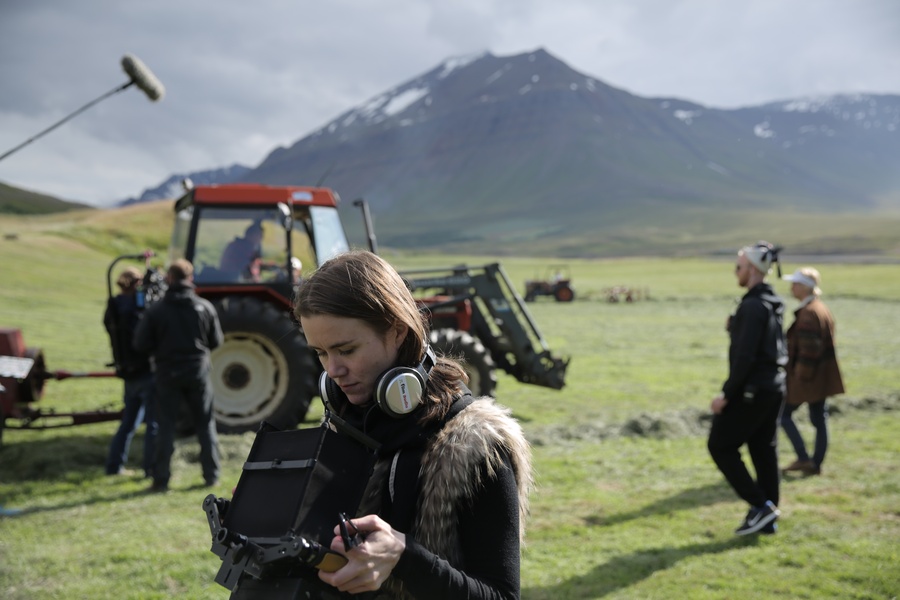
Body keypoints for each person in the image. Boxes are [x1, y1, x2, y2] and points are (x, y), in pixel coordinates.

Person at [293, 250, 533, 598]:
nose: (332, 371)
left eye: (346, 350)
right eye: (320, 353)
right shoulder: (344, 425)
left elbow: (500, 595)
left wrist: (404, 556)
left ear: (398, 332)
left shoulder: (475, 445)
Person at [707, 241, 787, 536]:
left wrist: (726, 395)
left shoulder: (753, 306)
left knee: (720, 445)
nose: (735, 271)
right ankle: (768, 519)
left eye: (739, 266)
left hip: (754, 388)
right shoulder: (771, 301)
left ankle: (760, 506)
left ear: (752, 269)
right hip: (774, 387)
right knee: (763, 449)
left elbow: (745, 357)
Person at [134, 259, 223, 492]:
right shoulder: (204, 307)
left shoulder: (156, 311)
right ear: (190, 278)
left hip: (168, 374)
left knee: (166, 426)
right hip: (198, 373)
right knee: (205, 424)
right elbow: (216, 341)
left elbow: (140, 343)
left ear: (169, 279)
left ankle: (161, 479)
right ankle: (211, 475)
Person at [780, 267, 845, 477]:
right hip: (820, 375)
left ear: (805, 287)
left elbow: (810, 349)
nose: (792, 287)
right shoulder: (819, 308)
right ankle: (814, 463)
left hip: (808, 377)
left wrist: (800, 378)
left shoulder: (809, 313)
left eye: (795, 284)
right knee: (819, 418)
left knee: (783, 414)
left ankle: (804, 458)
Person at [103, 266, 157, 477]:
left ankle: (114, 466)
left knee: (128, 423)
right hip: (145, 371)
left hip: (128, 372)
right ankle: (150, 469)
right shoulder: (137, 310)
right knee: (152, 424)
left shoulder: (113, 308)